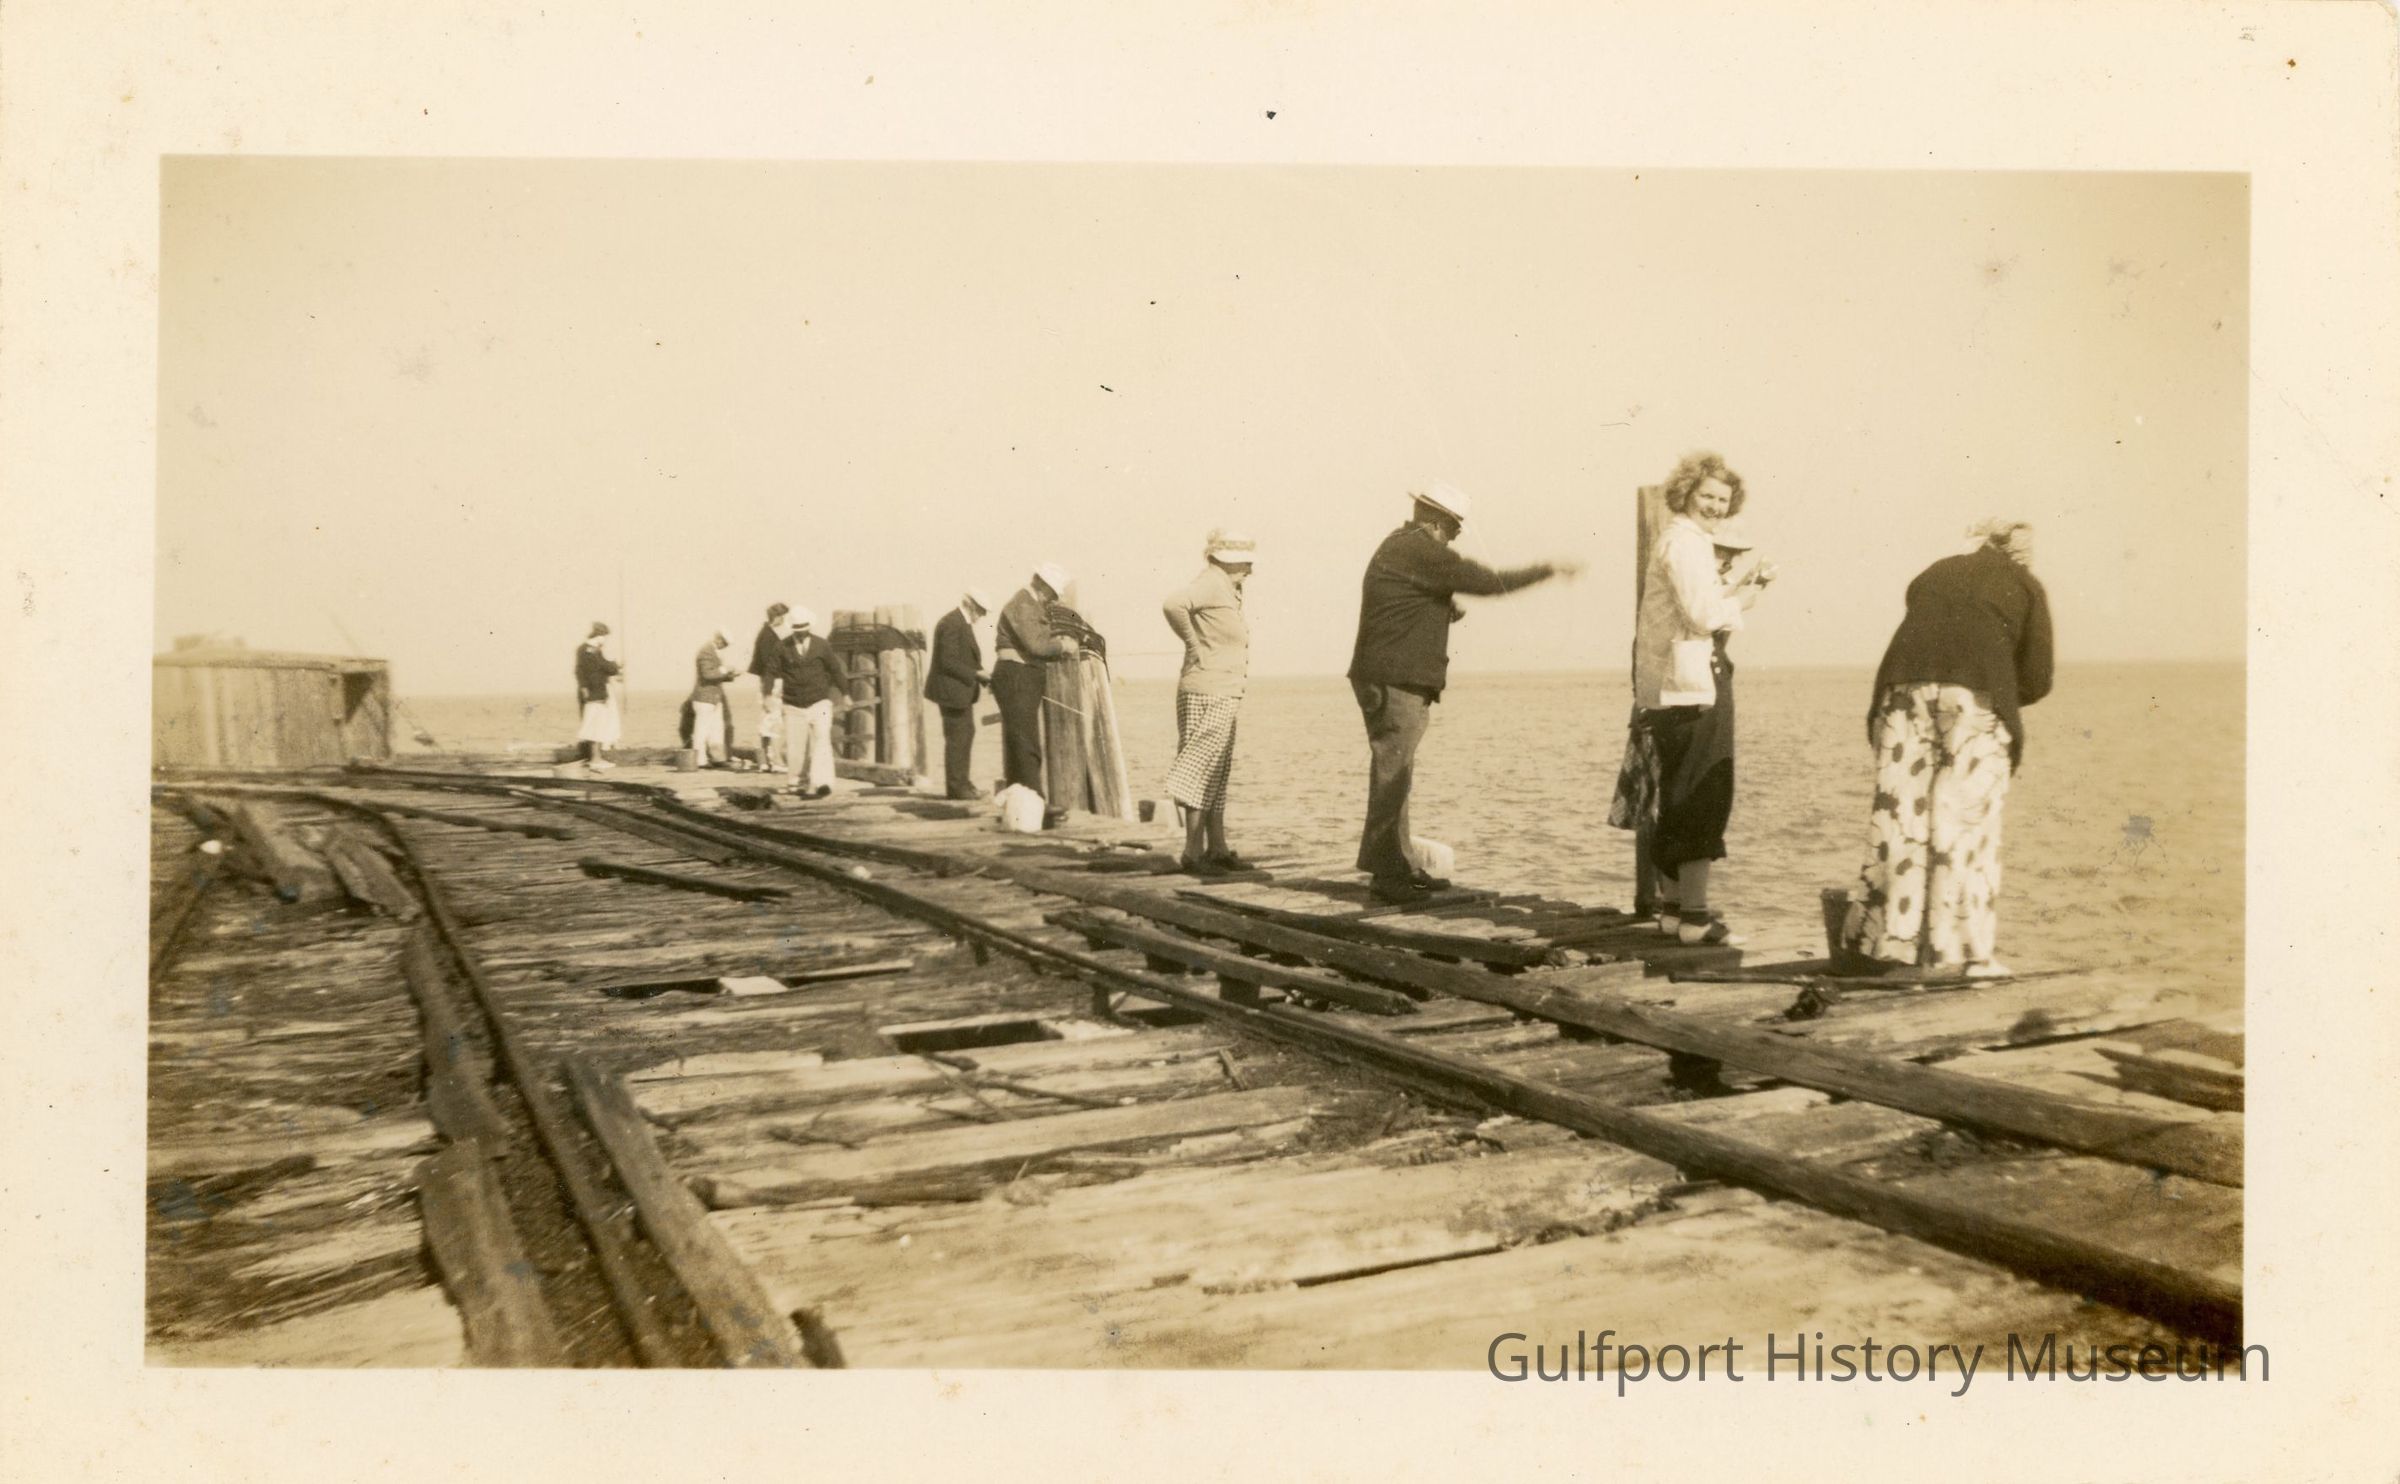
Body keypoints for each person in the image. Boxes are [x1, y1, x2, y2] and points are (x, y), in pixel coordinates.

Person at [1347, 484, 1582, 905]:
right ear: (1438, 522)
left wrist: (1439, 607)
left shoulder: (1402, 545)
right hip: (1396, 680)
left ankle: (1399, 867)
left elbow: (1402, 597)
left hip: (1390, 677)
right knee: (1393, 774)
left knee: (1396, 773)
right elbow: (1489, 582)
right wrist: (1547, 569)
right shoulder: (1422, 550)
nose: (1456, 537)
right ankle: (1388, 875)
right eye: (1455, 529)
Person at [1839, 519, 2055, 978]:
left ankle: (1893, 949)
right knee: (1965, 825)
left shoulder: (1937, 570)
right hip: (1974, 699)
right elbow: (2037, 678)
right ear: (2020, 553)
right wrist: (1995, 690)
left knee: (1901, 820)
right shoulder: (2025, 583)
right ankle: (1967, 955)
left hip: (1900, 691)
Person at [1630, 453, 1774, 947]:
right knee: (1704, 797)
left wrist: (1732, 589)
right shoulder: (1688, 543)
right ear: (1687, 494)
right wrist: (1745, 600)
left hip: (1669, 686)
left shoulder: (1676, 541)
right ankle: (1695, 917)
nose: (1715, 506)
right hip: (1694, 684)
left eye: (1723, 499)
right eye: (1707, 496)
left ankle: (1673, 911)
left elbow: (1687, 606)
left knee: (1676, 794)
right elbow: (1702, 614)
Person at [1162, 529, 1257, 874]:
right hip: (1207, 688)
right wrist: (1193, 644)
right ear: (1226, 561)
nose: (1250, 570)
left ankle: (1217, 848)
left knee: (1217, 768)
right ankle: (1193, 851)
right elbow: (1173, 604)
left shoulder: (1226, 588)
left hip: (1224, 689)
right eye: (1245, 563)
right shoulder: (1212, 583)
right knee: (1201, 767)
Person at [990, 563, 1079, 798]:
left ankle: (1022, 800)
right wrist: (1064, 646)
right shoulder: (1024, 603)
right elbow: (1036, 645)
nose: (1051, 598)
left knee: (1020, 741)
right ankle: (1034, 800)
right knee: (1026, 744)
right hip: (1018, 676)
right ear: (1039, 583)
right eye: (1050, 592)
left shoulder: (1027, 602)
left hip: (1018, 676)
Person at [771, 607, 849, 798]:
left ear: (809, 627)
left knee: (822, 740)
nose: (800, 633)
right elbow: (770, 672)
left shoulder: (822, 645)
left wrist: (846, 693)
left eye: (803, 629)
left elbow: (835, 670)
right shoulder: (782, 647)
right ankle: (795, 782)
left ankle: (821, 783)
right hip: (793, 704)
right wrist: (767, 695)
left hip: (820, 702)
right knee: (795, 746)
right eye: (797, 629)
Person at [926, 589, 994, 800]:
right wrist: (976, 674)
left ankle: (962, 783)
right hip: (951, 693)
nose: (982, 616)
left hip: (959, 692)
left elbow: (964, 659)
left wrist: (982, 675)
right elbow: (947, 661)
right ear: (970, 605)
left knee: (965, 735)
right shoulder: (951, 623)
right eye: (981, 611)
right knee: (958, 738)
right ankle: (957, 788)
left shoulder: (960, 622)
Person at [688, 627, 740, 768]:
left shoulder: (712, 651)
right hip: (704, 698)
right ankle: (700, 760)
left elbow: (714, 675)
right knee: (702, 730)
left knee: (716, 729)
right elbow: (707, 675)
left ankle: (717, 758)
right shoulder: (705, 652)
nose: (725, 647)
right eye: (724, 643)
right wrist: (725, 670)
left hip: (713, 698)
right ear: (718, 639)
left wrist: (730, 676)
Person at [748, 602, 792, 772]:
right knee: (774, 722)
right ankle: (776, 762)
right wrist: (767, 693)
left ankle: (763, 761)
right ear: (777, 617)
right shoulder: (768, 637)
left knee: (766, 722)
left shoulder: (766, 633)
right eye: (783, 616)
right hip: (772, 684)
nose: (784, 620)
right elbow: (769, 668)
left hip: (768, 683)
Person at [573, 621, 621, 772]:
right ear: (598, 636)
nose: (604, 640)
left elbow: (579, 671)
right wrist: (616, 665)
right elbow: (607, 668)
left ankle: (595, 757)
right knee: (596, 726)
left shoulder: (583, 650)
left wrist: (584, 688)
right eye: (603, 636)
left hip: (592, 693)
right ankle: (595, 759)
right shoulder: (593, 651)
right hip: (597, 694)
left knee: (595, 725)